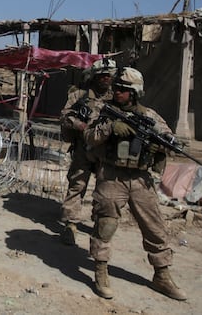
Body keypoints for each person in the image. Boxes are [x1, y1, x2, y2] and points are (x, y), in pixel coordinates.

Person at [84, 67, 187, 301]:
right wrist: (110, 128)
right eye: (116, 88)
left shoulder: (149, 115)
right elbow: (89, 137)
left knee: (155, 228)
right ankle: (101, 270)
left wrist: (159, 145)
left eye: (123, 89)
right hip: (111, 176)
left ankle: (162, 274)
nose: (116, 91)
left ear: (135, 93)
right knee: (105, 225)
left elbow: (169, 139)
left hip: (141, 179)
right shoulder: (103, 110)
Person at [58, 58, 117, 245]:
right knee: (77, 185)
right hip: (83, 148)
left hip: (105, 152)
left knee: (104, 189)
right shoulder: (79, 95)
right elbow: (65, 116)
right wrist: (80, 125)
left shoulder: (117, 97)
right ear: (94, 76)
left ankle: (98, 222)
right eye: (101, 76)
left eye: (108, 76)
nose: (105, 79)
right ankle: (70, 224)